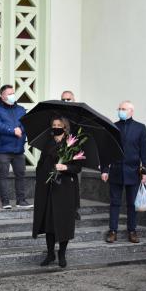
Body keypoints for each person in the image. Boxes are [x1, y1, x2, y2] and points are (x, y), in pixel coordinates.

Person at [32, 116, 82, 268]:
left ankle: (62, 253)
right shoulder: (48, 142)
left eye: (59, 125)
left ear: (65, 127)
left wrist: (65, 167)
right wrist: (42, 175)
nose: (55, 127)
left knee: (63, 222)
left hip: (65, 189)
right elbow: (41, 164)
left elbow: (77, 167)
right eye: (53, 124)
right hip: (48, 188)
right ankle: (50, 253)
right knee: (49, 222)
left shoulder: (72, 144)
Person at [101, 101, 146, 244]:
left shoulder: (140, 128)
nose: (120, 111)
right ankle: (112, 231)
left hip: (133, 172)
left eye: (123, 109)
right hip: (116, 170)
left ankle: (132, 231)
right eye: (119, 109)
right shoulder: (113, 127)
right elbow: (107, 151)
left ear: (131, 111)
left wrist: (145, 171)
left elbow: (144, 152)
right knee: (114, 202)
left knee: (132, 204)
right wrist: (104, 169)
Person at [0, 85, 31, 210]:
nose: (12, 95)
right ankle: (5, 201)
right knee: (3, 175)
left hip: (19, 149)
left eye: (13, 93)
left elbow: (26, 123)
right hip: (3, 149)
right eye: (9, 94)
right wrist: (12, 131)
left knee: (21, 174)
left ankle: (21, 200)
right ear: (2, 96)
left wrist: (20, 129)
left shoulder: (21, 109)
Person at [61, 90, 81, 220]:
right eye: (63, 99)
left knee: (73, 179)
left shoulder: (78, 115)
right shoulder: (58, 114)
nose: (66, 102)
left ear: (73, 100)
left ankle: (74, 208)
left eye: (68, 99)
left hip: (74, 147)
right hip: (60, 147)